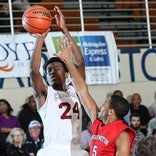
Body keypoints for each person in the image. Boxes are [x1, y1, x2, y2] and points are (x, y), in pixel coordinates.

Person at [54, 32, 135, 156]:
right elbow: (82, 90)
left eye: (105, 104)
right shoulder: (97, 122)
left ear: (111, 111)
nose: (101, 105)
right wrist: (68, 62)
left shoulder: (122, 134)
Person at [30, 6, 87, 156]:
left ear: (67, 73)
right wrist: (40, 40)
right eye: (49, 70)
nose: (53, 71)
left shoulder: (74, 90)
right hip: (53, 150)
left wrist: (64, 29)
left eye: (57, 68)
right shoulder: (45, 94)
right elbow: (34, 72)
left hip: (76, 150)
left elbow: (80, 63)